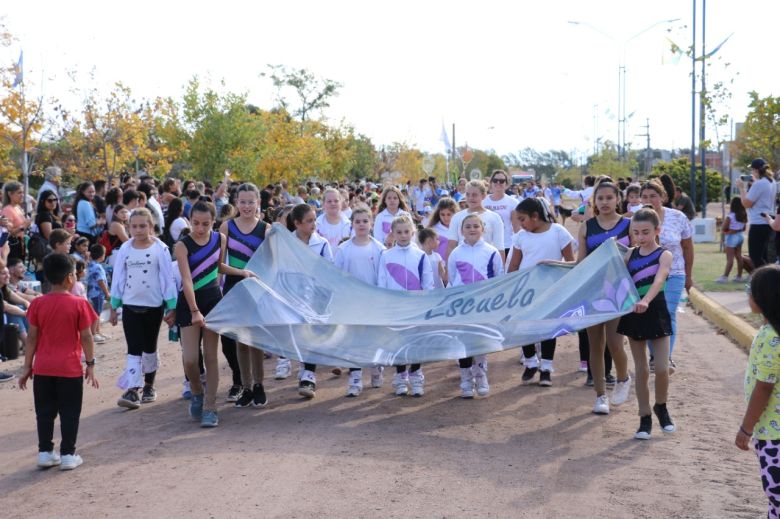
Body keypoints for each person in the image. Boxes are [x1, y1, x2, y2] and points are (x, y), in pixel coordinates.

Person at [547, 179, 631, 414]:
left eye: (609, 198)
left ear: (617, 199)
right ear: (594, 201)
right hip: (592, 292)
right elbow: (579, 263)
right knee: (595, 344)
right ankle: (601, 396)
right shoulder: (587, 226)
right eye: (600, 198)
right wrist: (552, 264)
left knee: (615, 344)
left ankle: (624, 379)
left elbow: (637, 255)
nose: (605, 202)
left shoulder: (629, 225)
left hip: (618, 292)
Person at [175, 201, 255, 427]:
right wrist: (194, 311)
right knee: (190, 359)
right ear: (190, 221)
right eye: (196, 223)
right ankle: (197, 392)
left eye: (206, 224)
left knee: (211, 357)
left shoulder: (219, 239)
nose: (200, 228)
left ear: (213, 222)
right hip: (189, 302)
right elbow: (187, 279)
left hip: (213, 299)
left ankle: (211, 406)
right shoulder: (182, 245)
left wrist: (242, 272)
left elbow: (217, 266)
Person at [18, 253, 99, 471]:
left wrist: (27, 367)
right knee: (70, 412)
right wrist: (90, 364)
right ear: (70, 278)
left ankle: (45, 452)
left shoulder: (37, 304)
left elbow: (32, 337)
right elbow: (87, 336)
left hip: (43, 368)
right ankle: (68, 454)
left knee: (44, 412)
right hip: (69, 369)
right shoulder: (79, 304)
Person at [617, 208, 675, 440]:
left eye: (645, 232)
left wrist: (646, 300)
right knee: (640, 370)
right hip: (634, 313)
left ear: (657, 231)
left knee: (661, 368)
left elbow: (660, 279)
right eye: (636, 233)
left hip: (655, 309)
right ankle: (644, 417)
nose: (640, 237)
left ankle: (661, 406)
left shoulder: (664, 255)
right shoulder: (628, 255)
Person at [507, 198, 574, 387]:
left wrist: (552, 264)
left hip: (551, 290)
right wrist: (508, 287)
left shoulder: (559, 232)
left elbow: (572, 262)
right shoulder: (521, 236)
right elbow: (514, 264)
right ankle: (530, 362)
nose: (520, 224)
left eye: (522, 219)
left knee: (548, 329)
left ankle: (546, 368)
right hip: (525, 291)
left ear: (535, 217)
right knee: (524, 327)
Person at [735, 264, 780, 517]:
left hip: (773, 432)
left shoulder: (770, 337)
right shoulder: (769, 332)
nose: (747, 296)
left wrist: (745, 428)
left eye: (749, 291)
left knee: (776, 493)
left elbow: (764, 388)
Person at [219, 183, 269, 408]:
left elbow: (271, 263)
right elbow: (219, 265)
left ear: (258, 202)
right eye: (243, 201)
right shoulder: (226, 227)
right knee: (241, 339)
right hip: (235, 287)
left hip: (257, 289)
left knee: (256, 338)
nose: (247, 206)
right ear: (236, 203)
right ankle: (246, 386)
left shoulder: (266, 229)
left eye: (251, 201)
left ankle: (259, 385)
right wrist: (242, 272)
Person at [447, 214, 503, 398]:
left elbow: (498, 277)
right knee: (463, 341)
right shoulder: (456, 253)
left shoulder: (491, 251)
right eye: (468, 226)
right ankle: (465, 379)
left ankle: (480, 376)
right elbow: (452, 277)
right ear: (461, 230)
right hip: (461, 306)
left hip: (482, 305)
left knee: (479, 341)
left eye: (475, 226)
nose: (472, 229)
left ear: (483, 229)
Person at [640, 179, 694, 369]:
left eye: (653, 196)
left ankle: (665, 358)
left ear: (662, 196)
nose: (649, 200)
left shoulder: (678, 217)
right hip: (646, 275)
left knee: (668, 313)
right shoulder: (636, 218)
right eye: (645, 196)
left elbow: (687, 246)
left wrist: (688, 275)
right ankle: (655, 357)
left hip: (675, 273)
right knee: (649, 314)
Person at [377, 215, 433, 397]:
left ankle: (416, 375)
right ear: (392, 233)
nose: (403, 235)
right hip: (396, 308)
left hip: (416, 307)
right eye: (399, 232)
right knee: (398, 341)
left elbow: (428, 282)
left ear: (413, 232)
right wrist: (386, 305)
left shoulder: (421, 255)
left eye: (406, 232)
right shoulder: (386, 255)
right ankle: (401, 376)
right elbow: (382, 281)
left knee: (416, 341)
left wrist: (425, 304)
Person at [334, 205, 386, 396]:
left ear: (371, 224)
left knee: (372, 338)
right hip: (351, 303)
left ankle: (375, 367)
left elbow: (382, 276)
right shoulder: (343, 249)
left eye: (365, 221)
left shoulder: (379, 249)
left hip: (372, 302)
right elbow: (337, 277)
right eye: (358, 221)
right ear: (352, 224)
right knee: (353, 340)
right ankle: (355, 378)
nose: (361, 224)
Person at [286, 203, 334, 398]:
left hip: (316, 297)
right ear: (297, 223)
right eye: (309, 221)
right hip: (294, 296)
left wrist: (324, 296)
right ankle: (304, 365)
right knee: (298, 335)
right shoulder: (287, 243)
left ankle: (309, 376)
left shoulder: (322, 244)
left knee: (312, 334)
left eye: (314, 220)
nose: (314, 224)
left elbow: (330, 271)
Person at [445, 180, 505, 264]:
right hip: (463, 266)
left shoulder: (495, 218)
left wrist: (501, 274)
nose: (470, 198)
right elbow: (451, 246)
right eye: (468, 194)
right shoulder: (457, 217)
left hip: (486, 266)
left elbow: (499, 248)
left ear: (484, 195)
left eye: (474, 195)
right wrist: (448, 270)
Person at [737, 158, 777, 268]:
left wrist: (741, 188)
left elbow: (746, 203)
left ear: (756, 170)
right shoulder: (771, 181)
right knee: (763, 255)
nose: (751, 173)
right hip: (767, 221)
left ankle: (766, 279)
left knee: (755, 256)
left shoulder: (759, 184)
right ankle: (767, 280)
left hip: (758, 223)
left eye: (752, 170)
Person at [483, 170, 518, 257]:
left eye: (502, 181)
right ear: (491, 183)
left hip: (506, 245)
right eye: (495, 180)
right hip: (486, 245)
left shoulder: (513, 202)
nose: (498, 182)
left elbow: (517, 229)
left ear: (506, 184)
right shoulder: (483, 201)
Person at [717, 197, 747, 283]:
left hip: (731, 238)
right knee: (739, 257)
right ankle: (739, 276)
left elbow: (723, 228)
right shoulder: (743, 214)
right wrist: (737, 230)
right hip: (741, 236)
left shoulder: (730, 216)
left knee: (730, 259)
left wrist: (728, 231)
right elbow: (744, 228)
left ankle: (725, 277)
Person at [86, 244, 110, 343]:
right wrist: (107, 293)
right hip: (97, 294)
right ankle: (93, 333)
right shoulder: (98, 267)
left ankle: (97, 331)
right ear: (102, 256)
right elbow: (100, 281)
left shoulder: (90, 264)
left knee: (97, 313)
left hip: (91, 293)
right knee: (96, 313)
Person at [2, 181, 32, 260]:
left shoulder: (17, 207)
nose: (22, 195)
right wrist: (24, 226)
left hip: (20, 244)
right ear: (10, 194)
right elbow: (7, 233)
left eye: (22, 192)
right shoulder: (7, 210)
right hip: (12, 247)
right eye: (19, 193)